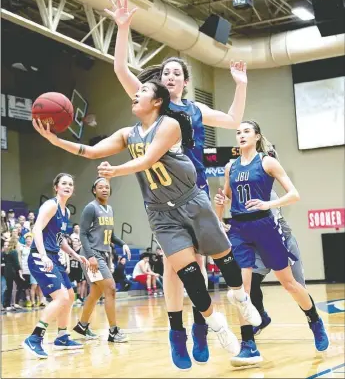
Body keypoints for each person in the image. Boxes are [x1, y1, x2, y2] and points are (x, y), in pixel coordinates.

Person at [32, 80, 260, 370]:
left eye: (143, 92)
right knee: (189, 274)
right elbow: (91, 151)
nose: (136, 94)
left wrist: (116, 170)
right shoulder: (128, 134)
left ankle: (241, 297)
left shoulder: (170, 124)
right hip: (161, 214)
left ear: (157, 101)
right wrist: (56, 141)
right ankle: (217, 326)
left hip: (192, 200)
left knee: (225, 260)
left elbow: (148, 159)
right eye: (136, 91)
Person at [106, 0, 252, 366]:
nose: (169, 77)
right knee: (174, 265)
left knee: (199, 266)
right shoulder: (154, 104)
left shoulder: (196, 109)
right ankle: (178, 332)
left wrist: (240, 83)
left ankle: (203, 328)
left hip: (196, 190)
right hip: (162, 195)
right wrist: (123, 28)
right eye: (165, 73)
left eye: (176, 73)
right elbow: (121, 71)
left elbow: (235, 120)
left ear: (185, 82)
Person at [214, 120, 329, 366]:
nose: (241, 135)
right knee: (241, 291)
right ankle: (248, 345)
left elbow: (294, 194)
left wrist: (268, 204)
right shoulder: (230, 167)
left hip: (266, 227)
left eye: (246, 131)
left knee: (289, 284)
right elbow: (227, 196)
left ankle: (314, 320)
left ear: (257, 136)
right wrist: (219, 203)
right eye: (238, 132)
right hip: (239, 229)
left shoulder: (267, 162)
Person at [215, 184, 307, 336]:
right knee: (250, 283)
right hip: (256, 242)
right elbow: (223, 202)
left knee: (295, 287)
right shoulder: (236, 182)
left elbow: (292, 196)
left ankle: (313, 319)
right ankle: (261, 316)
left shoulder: (264, 183)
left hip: (279, 238)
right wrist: (220, 219)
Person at [23, 173, 89, 359]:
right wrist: (43, 256)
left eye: (70, 184)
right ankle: (34, 338)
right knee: (60, 298)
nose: (68, 186)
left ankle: (62, 337)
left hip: (54, 257)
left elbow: (59, 238)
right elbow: (36, 229)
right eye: (64, 183)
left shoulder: (65, 211)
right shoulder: (50, 205)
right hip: (40, 256)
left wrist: (75, 254)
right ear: (56, 187)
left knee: (69, 296)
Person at [73, 178, 131, 343]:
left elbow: (110, 235)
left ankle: (82, 325)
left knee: (96, 292)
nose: (104, 189)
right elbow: (82, 233)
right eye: (100, 187)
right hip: (92, 254)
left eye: (107, 187)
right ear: (94, 190)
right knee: (111, 288)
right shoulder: (90, 208)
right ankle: (113, 331)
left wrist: (123, 243)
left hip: (103, 254)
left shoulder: (109, 209)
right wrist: (90, 257)